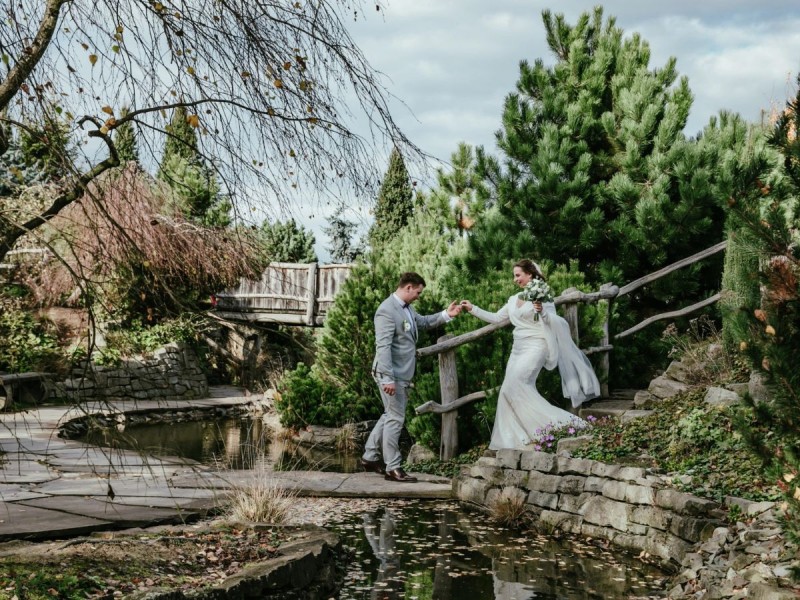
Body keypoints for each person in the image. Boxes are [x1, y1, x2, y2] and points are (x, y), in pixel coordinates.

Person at [460, 259, 600, 450]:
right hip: (517, 349)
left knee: (518, 385)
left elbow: (553, 321)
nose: (515, 279)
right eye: (514, 276)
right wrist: (472, 308)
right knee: (507, 390)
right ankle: (517, 437)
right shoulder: (513, 299)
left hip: (536, 346)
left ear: (530, 274)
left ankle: (561, 426)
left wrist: (541, 311)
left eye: (518, 275)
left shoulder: (542, 295)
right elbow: (496, 317)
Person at [362, 272, 462, 482]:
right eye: (418, 292)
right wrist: (387, 378)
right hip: (391, 373)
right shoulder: (386, 311)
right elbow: (383, 347)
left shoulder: (406, 308)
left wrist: (447, 314)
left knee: (390, 414)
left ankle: (370, 456)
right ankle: (392, 467)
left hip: (401, 372)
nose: (418, 296)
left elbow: (423, 322)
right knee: (395, 418)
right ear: (408, 287)